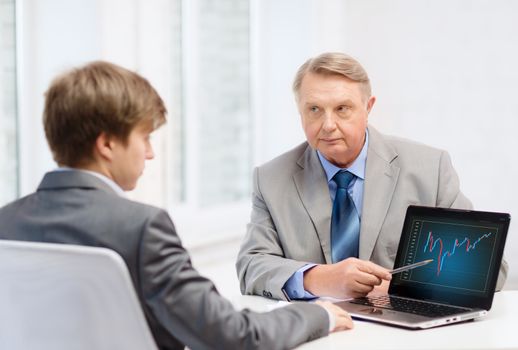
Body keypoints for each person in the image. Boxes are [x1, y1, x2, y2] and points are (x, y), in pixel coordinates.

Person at [0, 61, 354, 350]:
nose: (151, 153)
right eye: (145, 137)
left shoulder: (7, 223)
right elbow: (233, 336)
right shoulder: (141, 228)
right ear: (107, 144)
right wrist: (318, 316)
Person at [236, 52, 508, 301]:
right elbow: (251, 265)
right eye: (314, 109)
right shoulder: (270, 179)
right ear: (300, 111)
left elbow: (491, 270)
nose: (328, 125)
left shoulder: (430, 168)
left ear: (368, 107)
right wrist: (317, 278)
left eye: (342, 108)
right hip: (317, 330)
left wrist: (403, 287)